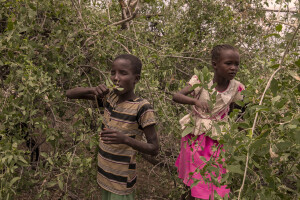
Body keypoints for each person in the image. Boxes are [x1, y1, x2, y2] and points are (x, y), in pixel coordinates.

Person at [66, 54, 159, 200]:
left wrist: (125, 140)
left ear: (136, 79)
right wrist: (93, 89)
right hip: (104, 173)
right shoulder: (110, 97)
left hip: (121, 181)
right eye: (113, 72)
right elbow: (70, 94)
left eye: (123, 73)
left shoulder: (142, 107)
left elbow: (154, 149)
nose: (116, 78)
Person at [173, 44, 245, 200]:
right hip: (195, 135)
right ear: (214, 64)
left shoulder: (236, 88)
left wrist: (241, 137)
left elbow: (237, 112)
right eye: (228, 63)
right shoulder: (202, 80)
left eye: (236, 64)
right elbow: (176, 96)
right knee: (193, 177)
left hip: (217, 137)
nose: (233, 68)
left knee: (215, 178)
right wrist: (195, 101)